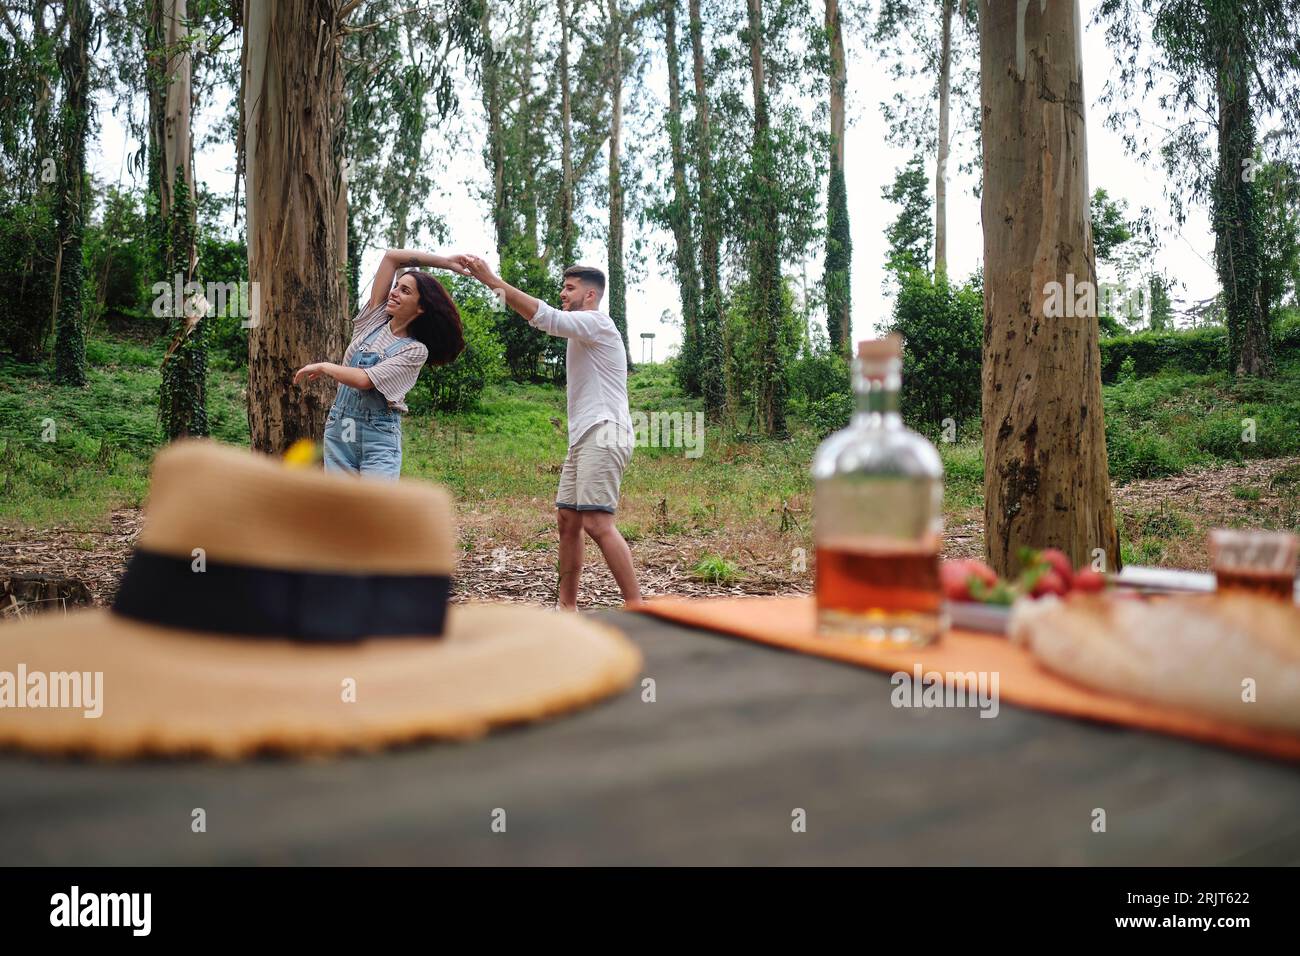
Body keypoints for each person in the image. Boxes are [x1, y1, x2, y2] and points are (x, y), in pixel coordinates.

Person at [464, 257, 641, 610]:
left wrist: (492, 281)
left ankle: (640, 608)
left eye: (569, 288)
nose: (562, 293)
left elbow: (545, 317)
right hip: (585, 436)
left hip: (604, 431)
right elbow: (544, 318)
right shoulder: (583, 327)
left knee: (597, 522)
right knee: (568, 520)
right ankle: (567, 608)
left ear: (590, 296)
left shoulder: (596, 322)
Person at [293, 249, 470, 479]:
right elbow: (392, 258)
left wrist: (326, 367)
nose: (394, 293)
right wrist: (445, 262)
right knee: (342, 512)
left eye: (404, 291)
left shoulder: (414, 350)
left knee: (376, 512)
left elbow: (365, 380)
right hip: (343, 431)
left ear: (421, 308)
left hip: (379, 437)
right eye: (396, 286)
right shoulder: (373, 320)